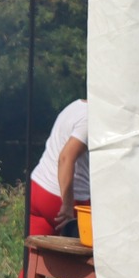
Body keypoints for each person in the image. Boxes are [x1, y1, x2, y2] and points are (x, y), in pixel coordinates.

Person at [28, 98, 89, 237]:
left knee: (38, 255)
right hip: (61, 198)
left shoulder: (74, 106)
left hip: (37, 187)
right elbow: (66, 158)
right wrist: (67, 205)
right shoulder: (91, 120)